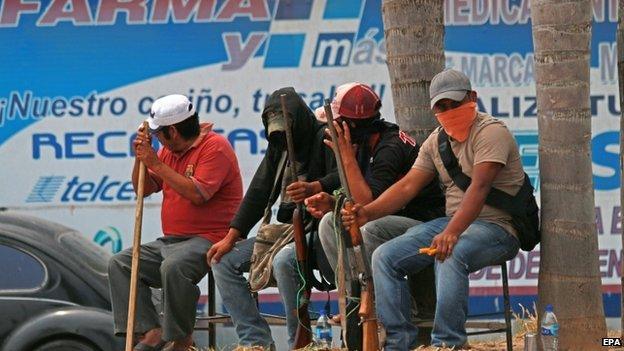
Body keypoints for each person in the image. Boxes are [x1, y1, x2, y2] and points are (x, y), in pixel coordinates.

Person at [342, 69, 523, 350]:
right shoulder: (435, 142)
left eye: (455, 104)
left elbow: (479, 188)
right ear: (433, 109)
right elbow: (406, 187)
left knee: (450, 254)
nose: (449, 111)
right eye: (442, 106)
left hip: (497, 228)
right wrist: (367, 213)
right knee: (384, 257)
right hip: (452, 223)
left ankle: (447, 344)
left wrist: (451, 232)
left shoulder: (491, 132)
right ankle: (399, 342)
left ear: (472, 98)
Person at [108, 94, 243, 351]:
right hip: (172, 240)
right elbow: (142, 188)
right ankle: (149, 330)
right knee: (121, 263)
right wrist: (141, 157)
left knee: (174, 267)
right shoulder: (170, 153)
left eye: (159, 135)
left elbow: (197, 194)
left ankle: (182, 339)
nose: (158, 140)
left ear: (173, 131)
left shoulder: (215, 147)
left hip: (213, 238)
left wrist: (155, 162)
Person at [208, 87, 337, 349]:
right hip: (287, 231)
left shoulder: (324, 137)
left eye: (284, 130)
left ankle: (297, 343)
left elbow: (341, 179)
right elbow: (258, 192)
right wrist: (231, 238)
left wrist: (316, 187)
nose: (280, 138)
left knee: (283, 261)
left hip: (322, 230)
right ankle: (255, 341)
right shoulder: (278, 147)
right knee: (223, 261)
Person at [305, 82, 444, 318]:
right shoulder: (363, 142)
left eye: (337, 124)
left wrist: (345, 156)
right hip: (389, 220)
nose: (332, 130)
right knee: (329, 222)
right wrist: (331, 201)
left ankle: (392, 306)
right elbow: (353, 198)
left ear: (349, 126)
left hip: (423, 224)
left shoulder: (389, 147)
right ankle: (356, 300)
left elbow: (367, 205)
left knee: (370, 228)